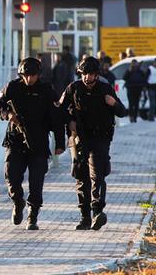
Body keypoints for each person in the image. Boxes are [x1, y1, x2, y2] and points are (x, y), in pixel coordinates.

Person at [0, 57, 65, 230]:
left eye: (32, 75)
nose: (29, 79)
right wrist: (8, 115)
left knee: (36, 181)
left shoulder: (46, 90)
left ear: (38, 75)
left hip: (38, 142)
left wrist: (60, 143)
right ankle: (18, 202)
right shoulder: (12, 87)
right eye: (25, 75)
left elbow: (56, 118)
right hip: (15, 141)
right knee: (11, 175)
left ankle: (33, 216)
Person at [58, 57, 127, 230]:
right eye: (84, 74)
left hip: (100, 138)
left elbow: (122, 112)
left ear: (97, 75)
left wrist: (113, 104)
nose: (87, 78)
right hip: (79, 138)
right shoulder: (73, 88)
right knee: (81, 177)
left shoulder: (105, 89)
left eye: (91, 74)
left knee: (97, 175)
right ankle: (84, 217)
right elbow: (59, 109)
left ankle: (97, 212)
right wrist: (69, 120)